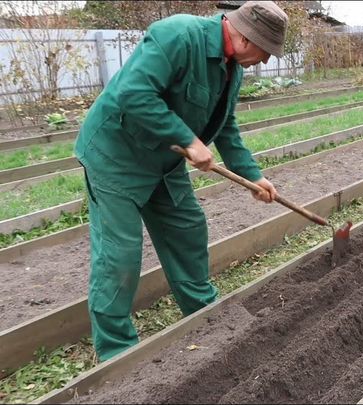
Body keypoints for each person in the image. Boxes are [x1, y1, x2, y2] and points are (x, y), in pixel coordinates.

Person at [75, 1, 288, 362]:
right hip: (117, 155)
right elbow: (134, 93)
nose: (266, 62)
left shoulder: (231, 68)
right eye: (266, 52)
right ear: (247, 37)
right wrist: (189, 140)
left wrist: (254, 176)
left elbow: (226, 126)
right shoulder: (177, 35)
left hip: (163, 161)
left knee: (188, 229)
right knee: (120, 255)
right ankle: (116, 351)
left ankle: (203, 312)